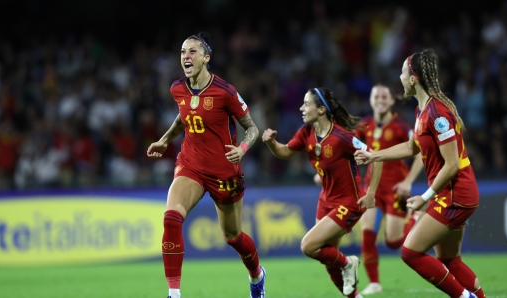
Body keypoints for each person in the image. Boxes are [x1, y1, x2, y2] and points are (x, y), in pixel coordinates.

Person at [354, 48, 485, 298]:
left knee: (410, 252)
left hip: (456, 193)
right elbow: (410, 147)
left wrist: (425, 197)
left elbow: (452, 165)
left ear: (413, 79)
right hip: (450, 192)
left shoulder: (438, 115)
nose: (400, 78)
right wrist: (374, 155)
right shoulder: (421, 111)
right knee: (450, 260)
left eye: (403, 73)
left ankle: (463, 297)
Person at [147, 32, 265, 298]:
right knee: (171, 217)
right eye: (182, 52)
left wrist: (242, 149)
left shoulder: (225, 92)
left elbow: (252, 129)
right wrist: (165, 140)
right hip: (191, 165)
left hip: (224, 170)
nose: (185, 57)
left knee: (233, 237)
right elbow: (183, 117)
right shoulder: (177, 88)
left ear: (206, 58)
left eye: (192, 52)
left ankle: (257, 275)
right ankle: (174, 293)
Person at [262, 87, 383, 298]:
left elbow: (376, 158)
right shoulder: (306, 132)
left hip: (349, 202)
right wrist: (271, 143)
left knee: (309, 246)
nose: (301, 108)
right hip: (326, 200)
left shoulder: (342, 137)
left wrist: (371, 192)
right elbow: (284, 152)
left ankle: (348, 262)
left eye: (306, 104)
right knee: (328, 260)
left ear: (320, 110)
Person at [355, 84, 424, 295]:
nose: (381, 99)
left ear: (392, 101)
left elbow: (420, 153)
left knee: (394, 242)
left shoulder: (401, 126)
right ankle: (374, 282)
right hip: (373, 189)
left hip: (395, 189)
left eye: (385, 96)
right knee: (367, 234)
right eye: (376, 96)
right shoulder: (364, 125)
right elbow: (348, 147)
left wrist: (408, 181)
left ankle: (414, 218)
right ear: (371, 100)